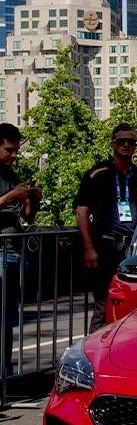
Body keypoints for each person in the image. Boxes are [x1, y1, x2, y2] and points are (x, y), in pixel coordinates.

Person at [75, 123, 137, 332]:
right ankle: (94, 357)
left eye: (131, 142)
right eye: (121, 141)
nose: (126, 145)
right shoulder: (97, 175)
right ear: (112, 144)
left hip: (135, 252)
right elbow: (82, 212)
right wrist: (89, 248)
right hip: (105, 249)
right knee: (103, 307)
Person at [0, 123, 41, 371]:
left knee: (9, 317)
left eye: (16, 150)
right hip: (3, 252)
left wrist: (31, 199)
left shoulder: (10, 174)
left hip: (15, 251)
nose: (13, 155)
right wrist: (12, 196)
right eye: (8, 150)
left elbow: (27, 217)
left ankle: (5, 371)